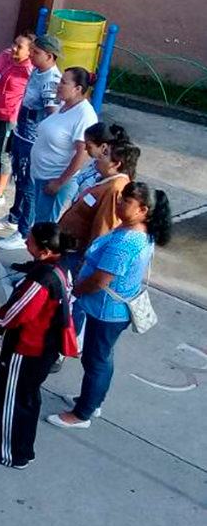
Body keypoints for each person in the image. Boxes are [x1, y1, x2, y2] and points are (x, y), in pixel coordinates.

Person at [51, 182, 171, 429]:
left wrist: (77, 290)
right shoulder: (136, 233)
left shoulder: (125, 243)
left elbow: (100, 279)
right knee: (101, 358)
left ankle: (82, 414)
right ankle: (92, 401)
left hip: (106, 310)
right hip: (109, 309)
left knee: (96, 360)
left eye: (126, 202)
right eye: (121, 199)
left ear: (143, 211)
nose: (119, 204)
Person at [0, 223, 75, 467]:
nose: (26, 243)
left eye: (31, 241)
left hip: (27, 347)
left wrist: (0, 322)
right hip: (45, 346)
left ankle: (11, 452)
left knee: (12, 398)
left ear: (44, 250)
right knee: (27, 397)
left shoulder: (41, 278)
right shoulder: (60, 269)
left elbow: (20, 310)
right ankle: (20, 446)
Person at [0, 34, 63, 247]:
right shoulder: (36, 71)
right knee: (19, 177)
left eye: (36, 52)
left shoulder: (51, 81)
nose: (31, 55)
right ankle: (15, 216)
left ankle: (24, 231)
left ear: (49, 56)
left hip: (33, 140)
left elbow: (53, 114)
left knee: (28, 185)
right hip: (21, 132)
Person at [24, 67, 101, 232]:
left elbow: (83, 153)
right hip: (42, 175)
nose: (58, 85)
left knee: (45, 228)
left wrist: (60, 182)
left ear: (78, 89)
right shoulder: (64, 106)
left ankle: (43, 256)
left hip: (55, 178)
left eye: (64, 83)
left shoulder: (85, 115)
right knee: (39, 221)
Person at [59, 137, 139, 263]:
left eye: (105, 153)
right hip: (67, 246)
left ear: (115, 164)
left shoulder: (115, 189)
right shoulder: (105, 181)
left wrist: (87, 262)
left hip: (76, 254)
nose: (99, 156)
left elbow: (103, 228)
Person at [0, 33, 35, 203]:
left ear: (29, 52)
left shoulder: (29, 70)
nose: (14, 48)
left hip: (11, 117)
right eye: (14, 43)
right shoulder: (4, 57)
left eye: (20, 47)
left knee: (4, 153)